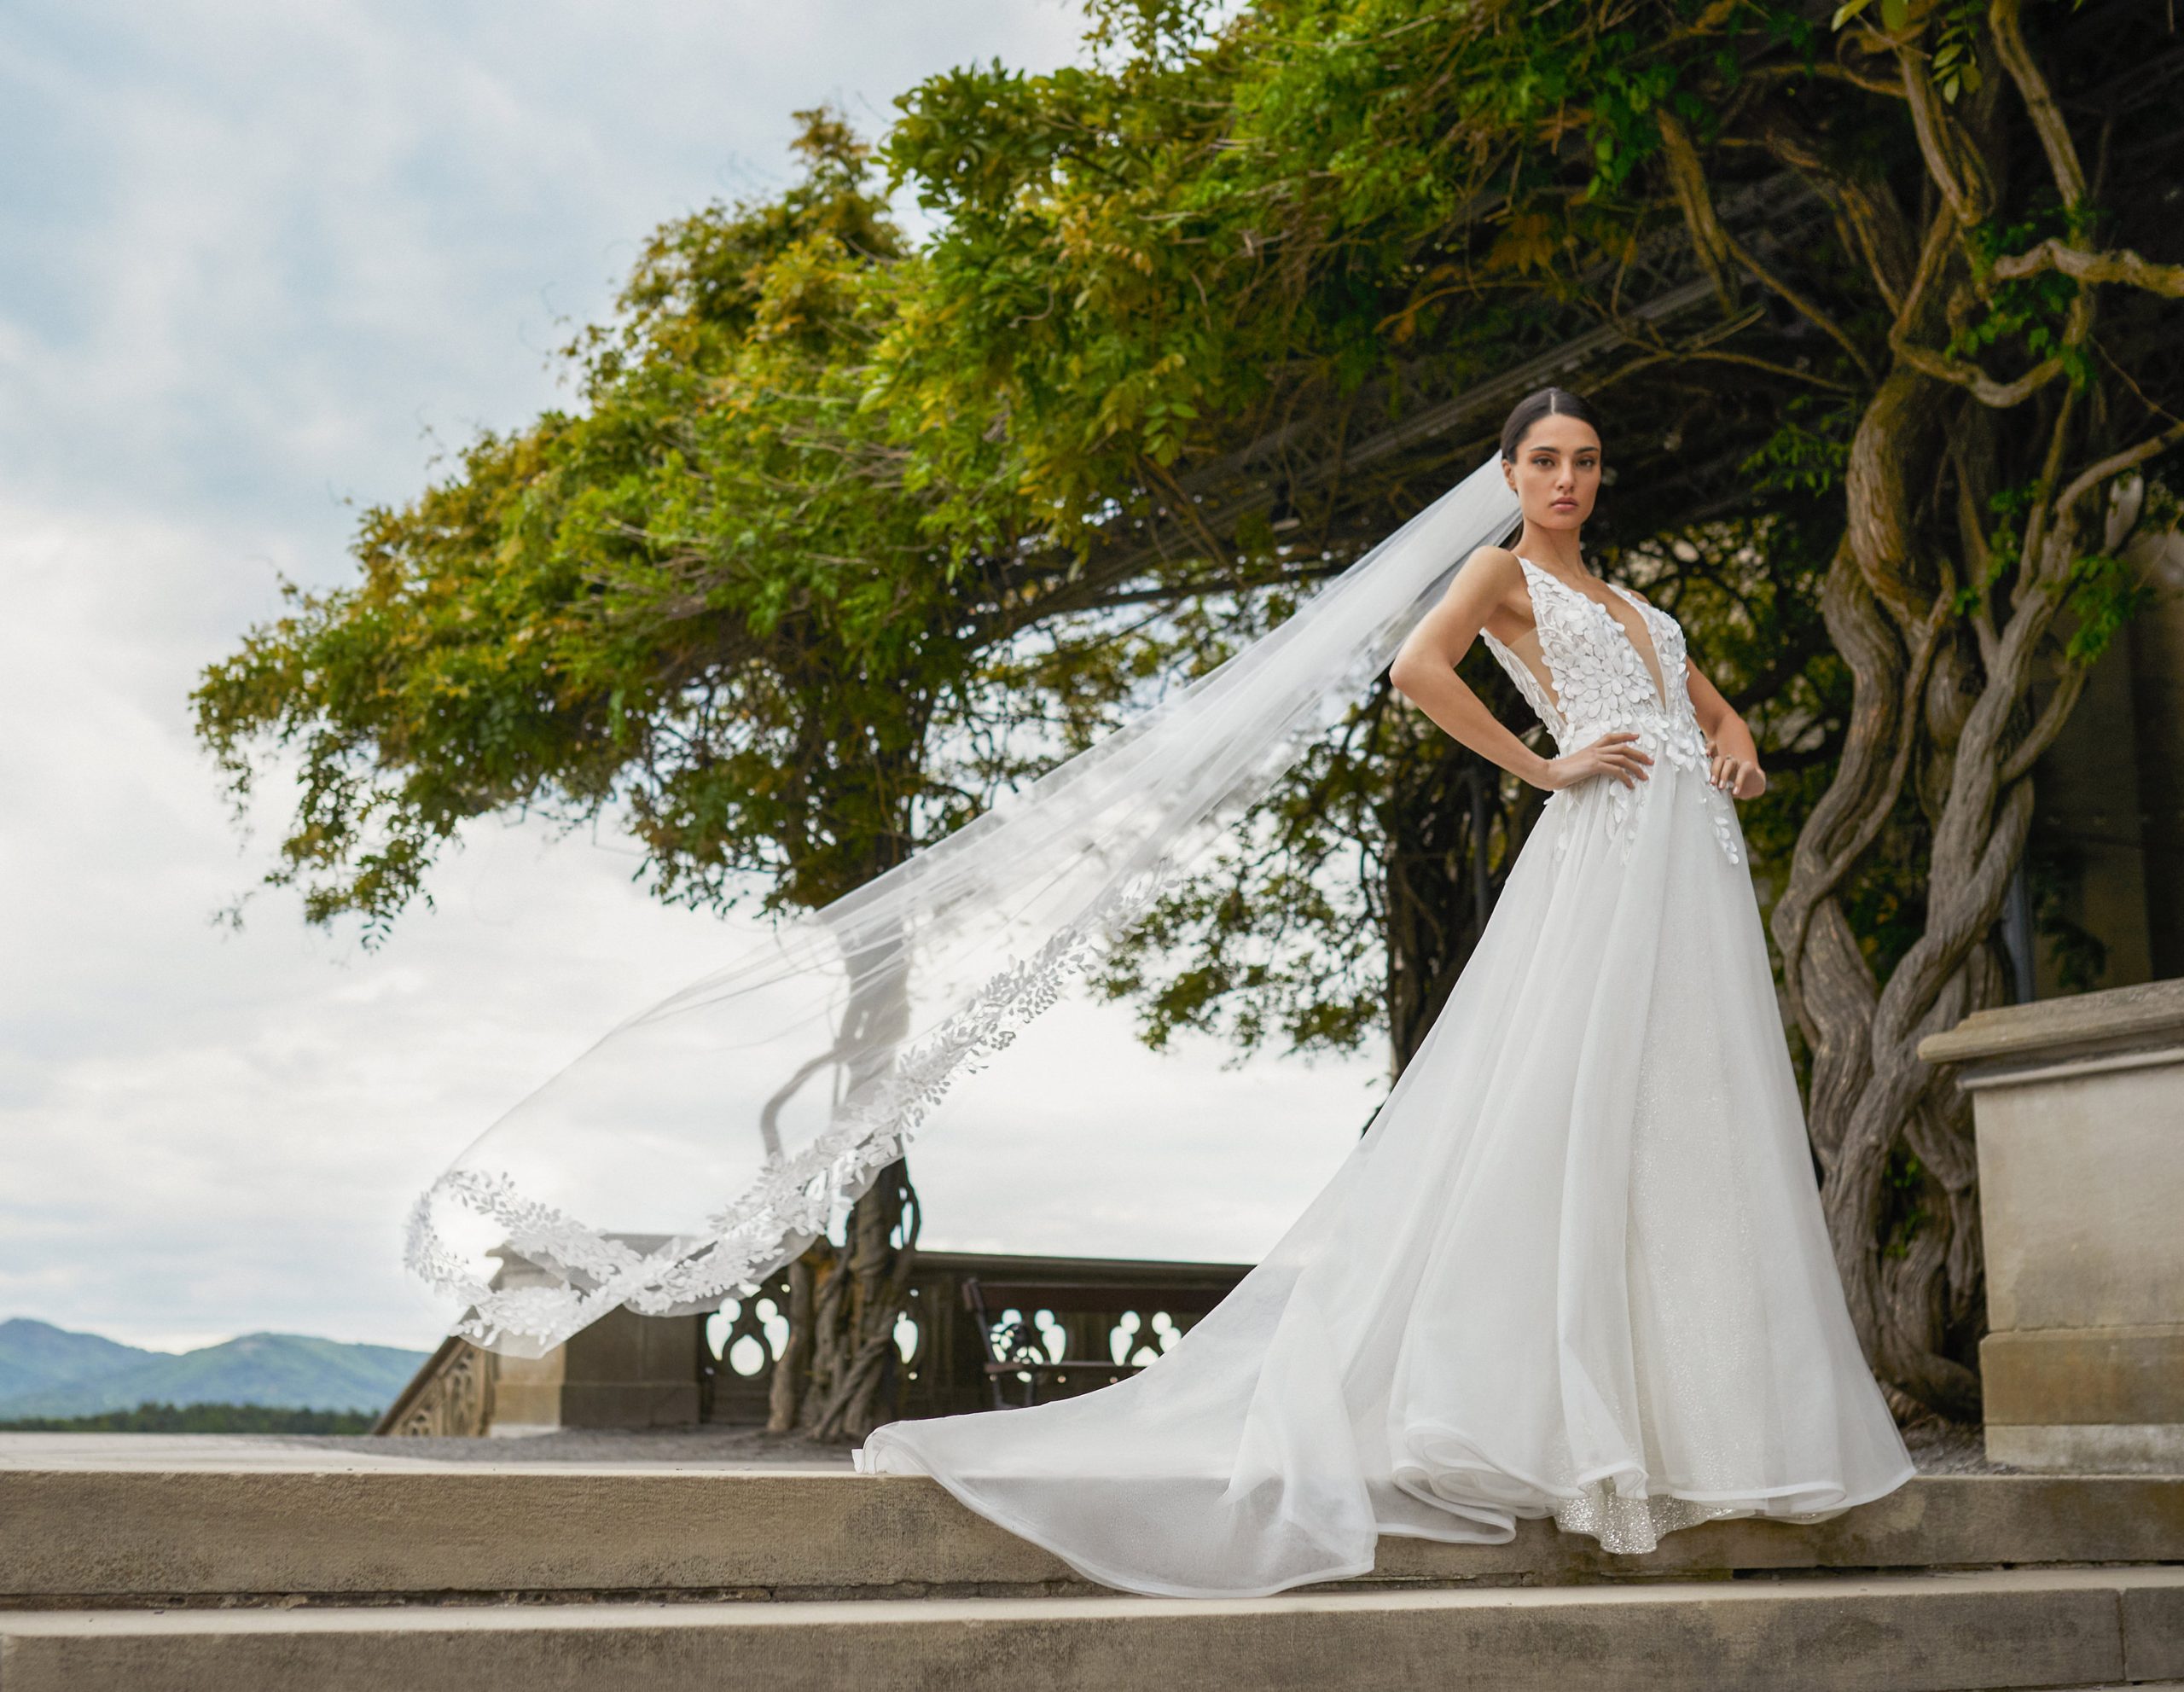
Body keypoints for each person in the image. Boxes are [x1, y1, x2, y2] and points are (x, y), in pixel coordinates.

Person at [851, 387, 1917, 1599]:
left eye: (1587, 462)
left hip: (1690, 885)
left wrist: (1734, 750)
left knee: (1684, 1125)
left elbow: (1714, 716)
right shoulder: (1501, 574)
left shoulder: (1640, 608)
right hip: (1608, 863)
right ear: (1511, 474)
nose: (1568, 480)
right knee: (1561, 1109)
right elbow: (1418, 668)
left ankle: (1708, 1437)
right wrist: (1544, 766)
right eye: (1547, 462)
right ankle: (1544, 1412)